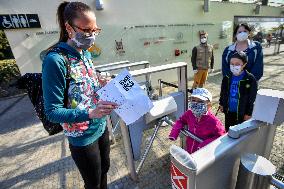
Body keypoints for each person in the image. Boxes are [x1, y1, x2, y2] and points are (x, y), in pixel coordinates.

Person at [42, 2, 117, 189]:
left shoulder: (85, 53)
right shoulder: (56, 60)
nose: (91, 36)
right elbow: (52, 111)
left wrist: (100, 82)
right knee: (93, 182)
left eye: (95, 30)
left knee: (105, 170)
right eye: (86, 30)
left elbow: (84, 85)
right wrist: (90, 113)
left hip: (100, 127)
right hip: (82, 137)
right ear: (69, 27)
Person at [169, 88, 225, 154]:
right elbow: (181, 120)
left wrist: (204, 144)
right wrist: (174, 132)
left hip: (203, 152)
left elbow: (221, 136)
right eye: (193, 100)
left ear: (209, 105)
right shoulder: (189, 113)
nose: (196, 104)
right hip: (189, 148)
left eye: (200, 101)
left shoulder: (214, 122)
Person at [219, 51, 257, 132]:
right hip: (229, 111)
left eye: (237, 64)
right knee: (228, 131)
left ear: (244, 64)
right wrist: (222, 103)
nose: (233, 66)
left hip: (241, 113)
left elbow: (252, 99)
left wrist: (248, 113)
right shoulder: (227, 77)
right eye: (232, 63)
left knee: (240, 133)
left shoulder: (250, 79)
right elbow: (223, 92)